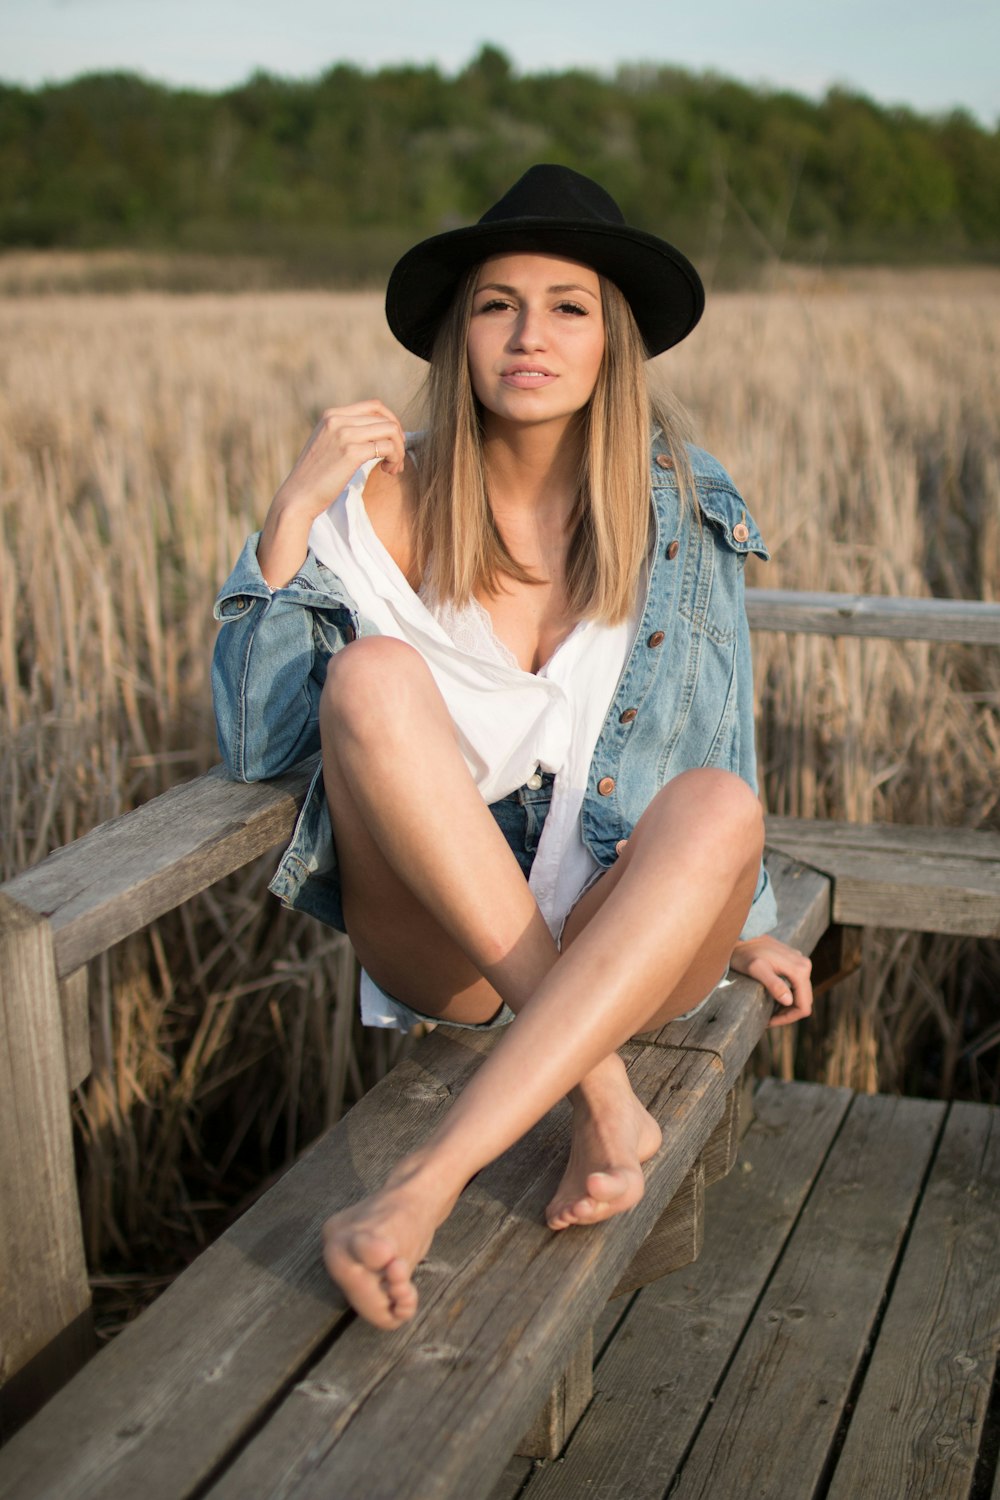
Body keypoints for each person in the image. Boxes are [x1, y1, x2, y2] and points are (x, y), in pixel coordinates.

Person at [211, 165, 812, 1331]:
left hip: (618, 930)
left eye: (567, 305)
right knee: (372, 677)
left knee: (719, 811)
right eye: (495, 304)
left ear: (611, 342)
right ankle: (598, 1091)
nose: (527, 334)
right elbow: (258, 744)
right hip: (449, 943)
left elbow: (722, 732)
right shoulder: (380, 501)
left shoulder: (685, 503)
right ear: (459, 335)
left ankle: (420, 1188)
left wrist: (745, 918)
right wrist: (287, 519)